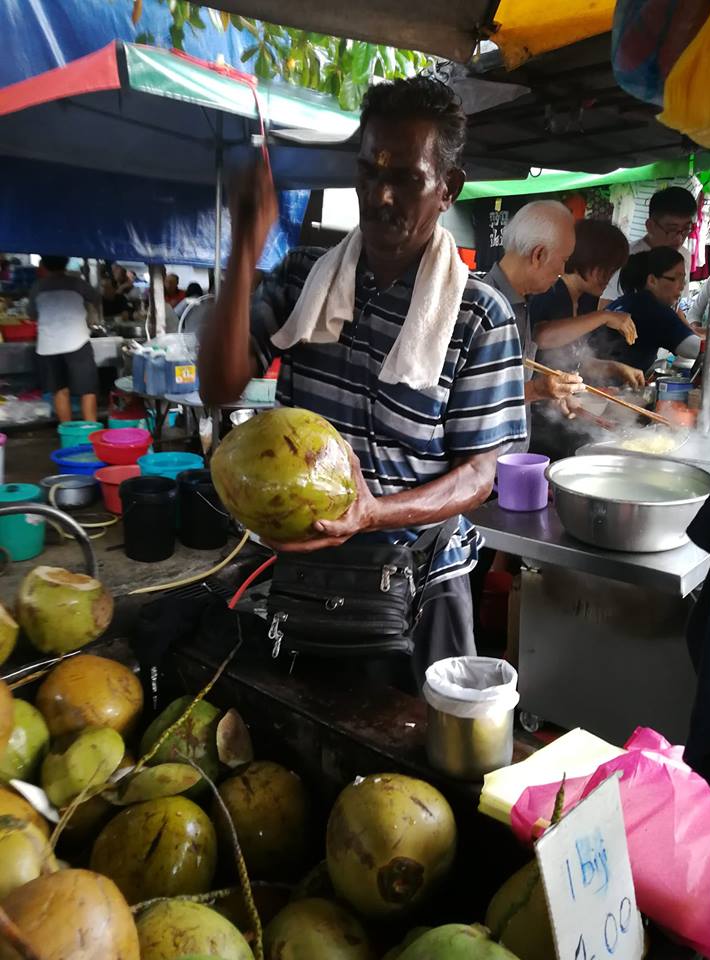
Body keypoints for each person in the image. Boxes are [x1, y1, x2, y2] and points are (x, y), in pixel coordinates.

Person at [200, 76, 527, 684]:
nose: (379, 197)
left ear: (448, 189)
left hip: (421, 580)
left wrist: (373, 513)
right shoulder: (304, 279)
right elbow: (218, 385)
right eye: (368, 174)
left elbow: (485, 473)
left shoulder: (480, 313)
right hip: (304, 575)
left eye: (405, 178)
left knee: (416, 758)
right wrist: (245, 245)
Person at [481, 200, 585, 443]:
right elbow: (475, 394)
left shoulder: (521, 302)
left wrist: (551, 394)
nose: (563, 270)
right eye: (564, 260)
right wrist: (538, 389)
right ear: (539, 255)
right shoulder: (485, 306)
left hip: (512, 458)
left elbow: (514, 382)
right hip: (486, 467)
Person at [531, 218, 645, 388]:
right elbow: (541, 337)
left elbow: (576, 361)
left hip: (564, 399)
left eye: (613, 270)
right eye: (606, 268)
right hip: (537, 397)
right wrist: (604, 316)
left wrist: (615, 368)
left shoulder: (587, 298)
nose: (609, 277)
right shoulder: (551, 290)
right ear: (587, 258)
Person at [592, 247, 702, 374]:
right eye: (675, 279)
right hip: (605, 385)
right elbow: (697, 349)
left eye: (683, 280)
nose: (682, 286)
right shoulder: (651, 309)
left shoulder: (626, 301)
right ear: (652, 280)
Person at [27, 255, 101, 422]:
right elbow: (96, 297)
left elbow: (32, 315)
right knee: (87, 390)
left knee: (59, 390)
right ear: (66, 263)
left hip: (48, 346)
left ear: (44, 265)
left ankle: (67, 433)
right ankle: (90, 433)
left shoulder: (37, 286)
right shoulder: (77, 283)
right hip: (77, 343)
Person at [600, 186, 696, 305]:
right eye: (671, 229)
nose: (679, 238)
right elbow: (605, 307)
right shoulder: (626, 258)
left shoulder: (683, 255)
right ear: (650, 226)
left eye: (686, 229)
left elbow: (676, 306)